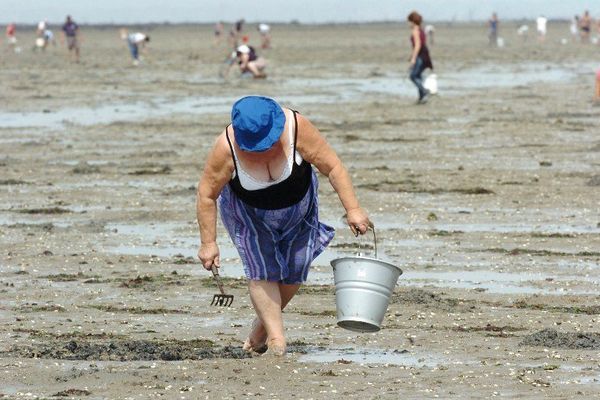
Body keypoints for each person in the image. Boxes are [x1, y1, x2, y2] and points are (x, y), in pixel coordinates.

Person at [196, 96, 371, 356]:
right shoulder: (226, 147)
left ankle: (261, 328)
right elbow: (206, 194)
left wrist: (353, 209)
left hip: (298, 208)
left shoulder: (297, 127)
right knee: (263, 269)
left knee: (296, 268)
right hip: (249, 216)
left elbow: (332, 166)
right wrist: (208, 243)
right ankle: (277, 342)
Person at [407, 11, 433, 104]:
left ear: (413, 21)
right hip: (424, 55)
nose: (408, 24)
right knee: (418, 75)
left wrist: (413, 58)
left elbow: (418, 45)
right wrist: (412, 56)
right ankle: (421, 97)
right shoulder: (421, 30)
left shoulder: (415, 31)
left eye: (409, 21)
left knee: (413, 76)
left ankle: (424, 91)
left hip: (420, 56)